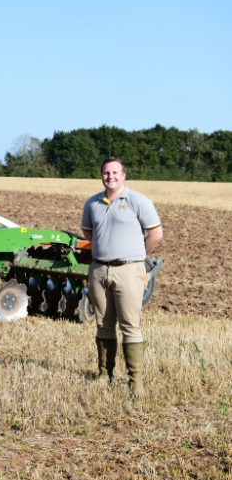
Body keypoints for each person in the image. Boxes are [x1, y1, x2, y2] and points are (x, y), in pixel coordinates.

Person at [81, 157, 163, 398]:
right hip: (98, 270)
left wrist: (138, 254)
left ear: (123, 175)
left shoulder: (138, 201)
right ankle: (104, 374)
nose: (110, 177)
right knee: (103, 325)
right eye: (106, 173)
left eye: (115, 172)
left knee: (130, 326)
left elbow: (156, 234)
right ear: (101, 176)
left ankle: (134, 382)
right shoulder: (92, 203)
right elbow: (88, 231)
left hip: (129, 270)